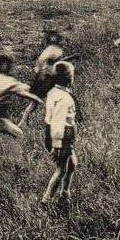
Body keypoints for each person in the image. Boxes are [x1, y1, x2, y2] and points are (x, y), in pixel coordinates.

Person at [40, 61, 78, 206]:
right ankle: (46, 200)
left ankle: (64, 193)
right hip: (61, 136)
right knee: (61, 169)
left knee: (72, 162)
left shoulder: (53, 92)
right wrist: (57, 144)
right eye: (72, 75)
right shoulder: (64, 98)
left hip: (56, 134)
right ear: (68, 78)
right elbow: (58, 121)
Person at [19, 29, 65, 125]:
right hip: (46, 78)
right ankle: (24, 121)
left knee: (39, 101)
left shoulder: (54, 50)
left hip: (49, 77)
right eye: (52, 37)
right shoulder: (50, 51)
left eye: (55, 37)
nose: (53, 39)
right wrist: (41, 76)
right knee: (37, 101)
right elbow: (42, 64)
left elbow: (56, 63)